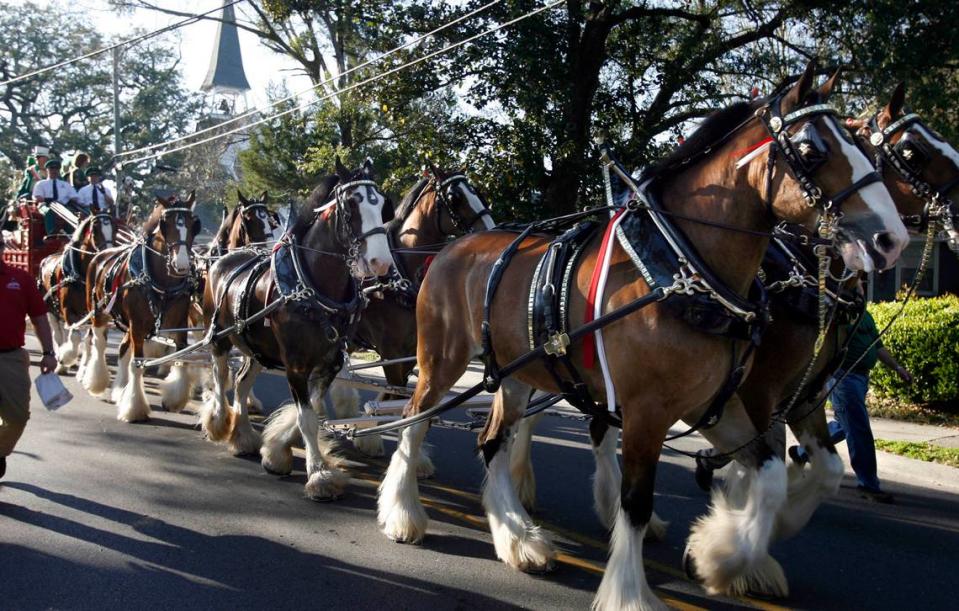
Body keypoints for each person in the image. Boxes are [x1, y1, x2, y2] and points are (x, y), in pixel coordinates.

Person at [791, 310, 912, 504]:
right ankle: (869, 485)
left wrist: (897, 367)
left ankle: (801, 451)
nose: (860, 286)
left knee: (844, 425)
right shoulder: (839, 314)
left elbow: (877, 346)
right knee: (858, 429)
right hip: (843, 378)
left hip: (862, 377)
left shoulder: (866, 315)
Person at [0, 240, 57, 480]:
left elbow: (39, 317)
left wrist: (48, 353)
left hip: (11, 358)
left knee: (17, 417)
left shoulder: (20, 279)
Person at [32, 158, 79, 236]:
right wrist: (47, 200)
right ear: (47, 170)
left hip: (63, 206)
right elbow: (36, 197)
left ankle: (72, 234)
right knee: (49, 212)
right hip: (46, 205)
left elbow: (75, 197)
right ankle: (51, 234)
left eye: (56, 169)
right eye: (51, 168)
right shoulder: (41, 184)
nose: (54, 171)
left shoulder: (65, 185)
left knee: (72, 213)